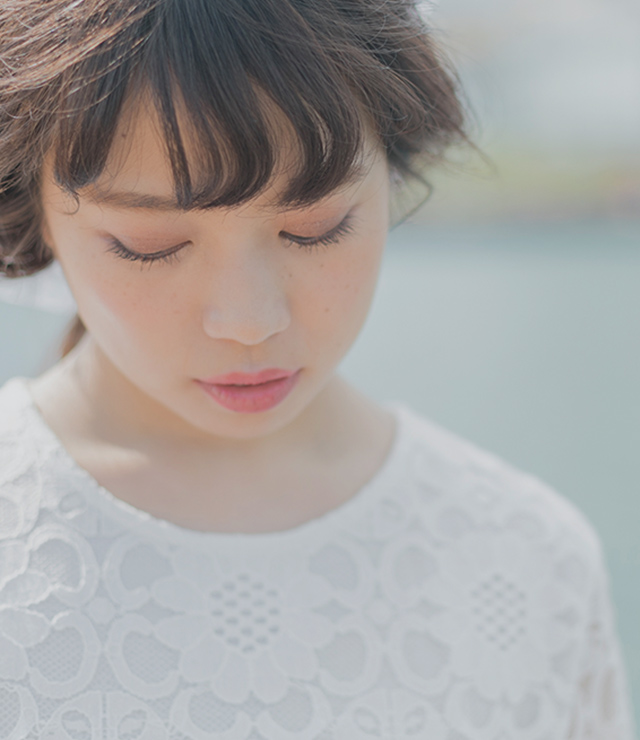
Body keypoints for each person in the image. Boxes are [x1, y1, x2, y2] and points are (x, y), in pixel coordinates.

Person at [0, 0, 635, 737]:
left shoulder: (525, 559)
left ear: (389, 178)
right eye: (149, 244)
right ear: (30, 209)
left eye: (315, 228)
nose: (249, 320)